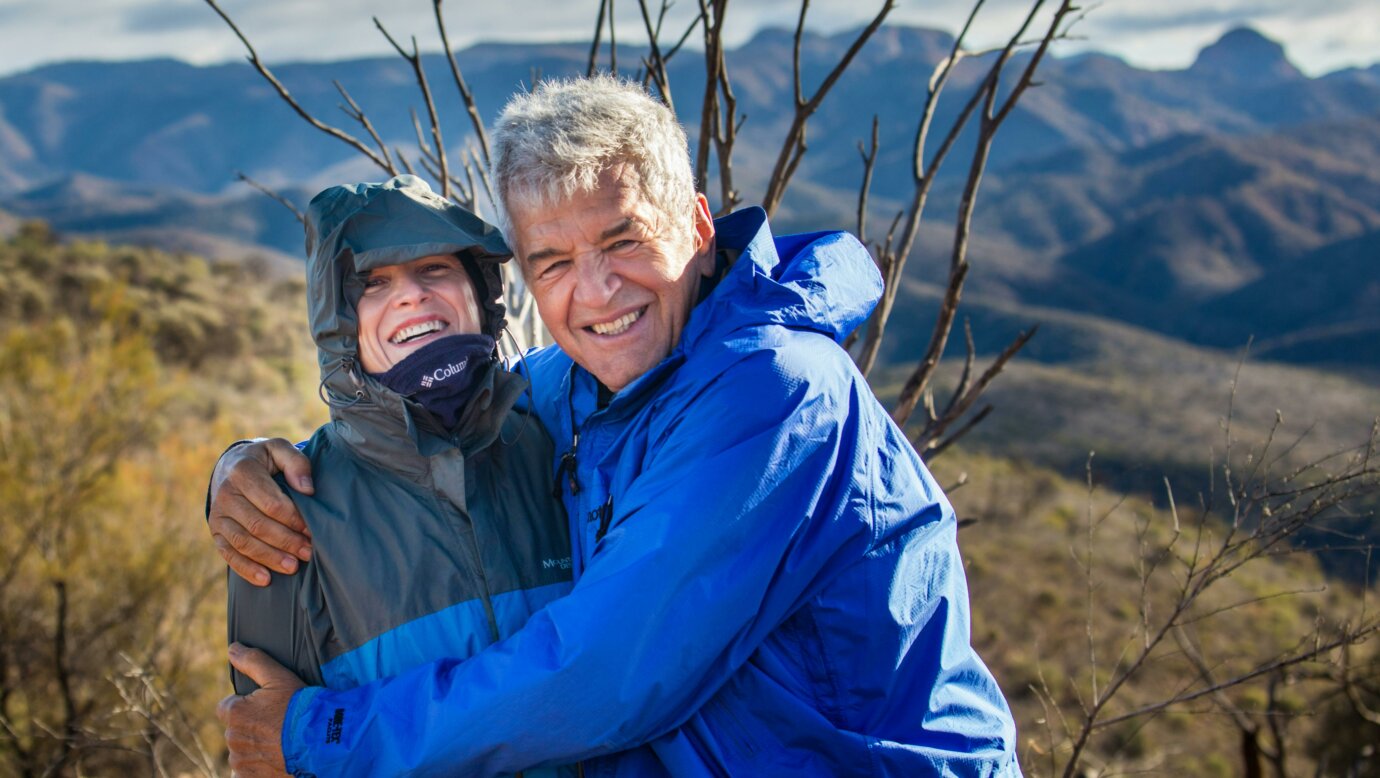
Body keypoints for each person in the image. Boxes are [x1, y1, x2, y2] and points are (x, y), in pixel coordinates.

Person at [213, 75, 1020, 776]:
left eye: (623, 240)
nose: (596, 293)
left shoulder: (775, 393)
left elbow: (602, 678)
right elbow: (428, 419)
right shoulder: (578, 382)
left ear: (700, 229)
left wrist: (322, 734)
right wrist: (242, 469)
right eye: (554, 263)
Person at [224, 176, 574, 776]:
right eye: (373, 283)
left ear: (479, 290)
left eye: (434, 268)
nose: (410, 296)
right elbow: (271, 748)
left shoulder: (561, 436)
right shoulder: (282, 515)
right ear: (337, 323)